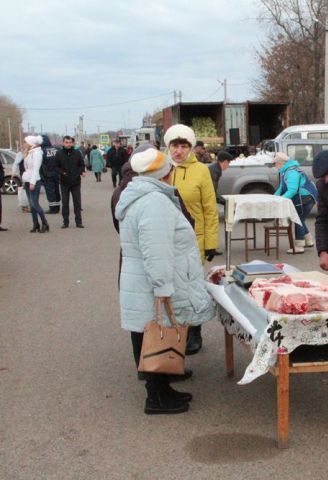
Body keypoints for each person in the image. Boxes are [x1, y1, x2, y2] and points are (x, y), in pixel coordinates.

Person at [115, 144, 216, 414]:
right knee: (156, 335)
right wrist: (163, 287)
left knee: (154, 335)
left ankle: (163, 391)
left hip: (143, 282)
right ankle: (156, 398)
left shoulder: (141, 196)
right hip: (152, 285)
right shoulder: (153, 202)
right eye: (170, 169)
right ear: (163, 174)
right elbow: (156, 250)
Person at [165, 124, 219, 355]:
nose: (179, 151)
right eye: (175, 146)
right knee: (170, 287)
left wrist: (210, 243)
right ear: (168, 147)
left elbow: (209, 209)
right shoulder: (162, 169)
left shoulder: (201, 171)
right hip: (167, 239)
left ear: (190, 148)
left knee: (192, 288)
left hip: (193, 240)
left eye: (184, 146)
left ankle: (194, 333)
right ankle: (173, 332)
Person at [273, 152, 318, 254]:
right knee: (300, 219)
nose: (275, 166)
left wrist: (281, 200)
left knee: (298, 220)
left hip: (306, 198)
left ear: (281, 163)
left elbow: (292, 190)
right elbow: (281, 188)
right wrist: (273, 198)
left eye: (276, 164)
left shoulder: (291, 172)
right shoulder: (286, 171)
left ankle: (299, 246)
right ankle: (309, 240)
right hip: (305, 197)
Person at [56, 135, 86, 228]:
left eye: (70, 142)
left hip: (76, 182)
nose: (68, 144)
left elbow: (82, 165)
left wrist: (80, 172)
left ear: (72, 143)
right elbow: (56, 166)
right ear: (63, 143)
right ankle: (65, 222)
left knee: (77, 203)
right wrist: (63, 173)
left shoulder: (77, 153)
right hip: (64, 182)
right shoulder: (59, 153)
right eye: (66, 142)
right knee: (65, 203)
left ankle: (79, 222)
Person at [22, 135, 50, 233]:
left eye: (25, 142)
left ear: (30, 143)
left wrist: (32, 182)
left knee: (35, 204)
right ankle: (35, 224)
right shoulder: (29, 152)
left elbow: (35, 169)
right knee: (31, 204)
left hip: (34, 181)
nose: (24, 144)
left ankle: (45, 223)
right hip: (27, 180)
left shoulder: (37, 153)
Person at [40, 135, 61, 214]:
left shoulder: (42, 151)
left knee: (50, 191)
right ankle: (57, 207)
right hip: (57, 173)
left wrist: (43, 175)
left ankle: (52, 208)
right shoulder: (56, 149)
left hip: (48, 174)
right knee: (56, 190)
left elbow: (41, 165)